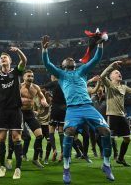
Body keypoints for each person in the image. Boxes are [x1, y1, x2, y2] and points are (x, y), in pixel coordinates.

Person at [41, 35, 114, 183]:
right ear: (62, 65)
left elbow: (96, 59)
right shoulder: (60, 74)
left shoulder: (82, 70)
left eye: (72, 59)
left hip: (88, 107)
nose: (69, 59)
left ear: (74, 63)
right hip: (73, 110)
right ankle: (66, 168)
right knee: (69, 131)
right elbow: (47, 64)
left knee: (106, 131)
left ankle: (106, 164)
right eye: (66, 59)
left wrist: (99, 45)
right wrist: (44, 49)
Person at [0, 47, 27, 179]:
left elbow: (24, 61)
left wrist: (18, 51)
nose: (2, 59)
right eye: (1, 58)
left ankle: (18, 168)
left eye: (5, 57)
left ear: (10, 61)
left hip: (15, 110)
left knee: (16, 138)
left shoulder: (16, 71)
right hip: (2, 110)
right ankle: (2, 166)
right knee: (1, 139)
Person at [100, 60, 131, 167]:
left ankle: (120, 158)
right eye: (116, 72)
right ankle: (106, 161)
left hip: (122, 116)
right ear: (111, 76)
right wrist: (111, 66)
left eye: (119, 72)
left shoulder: (124, 87)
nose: (119, 73)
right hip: (112, 115)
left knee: (127, 138)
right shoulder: (108, 85)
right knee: (110, 138)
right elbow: (102, 76)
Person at [20, 70, 49, 168]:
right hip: (19, 113)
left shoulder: (36, 87)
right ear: (24, 77)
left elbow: (42, 97)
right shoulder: (19, 87)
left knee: (39, 136)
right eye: (28, 76)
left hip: (30, 113)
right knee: (17, 137)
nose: (30, 78)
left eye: (32, 76)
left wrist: (43, 101)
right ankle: (10, 157)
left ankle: (35, 159)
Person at [42, 75, 66, 162]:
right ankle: (63, 152)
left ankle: (54, 150)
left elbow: (43, 88)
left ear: (53, 77)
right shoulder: (64, 83)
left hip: (55, 108)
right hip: (64, 108)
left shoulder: (54, 83)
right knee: (61, 131)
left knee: (51, 130)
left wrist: (45, 94)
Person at [34, 89, 52, 164]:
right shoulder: (35, 100)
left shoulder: (49, 99)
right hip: (39, 123)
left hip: (47, 124)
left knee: (49, 141)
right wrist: (35, 112)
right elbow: (34, 110)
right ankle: (40, 155)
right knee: (39, 140)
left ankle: (46, 158)